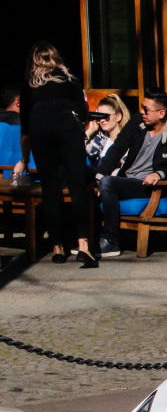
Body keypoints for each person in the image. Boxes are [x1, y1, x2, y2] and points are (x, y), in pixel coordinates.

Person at [12, 42, 93, 266]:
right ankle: (83, 246)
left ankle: (58, 248)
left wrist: (25, 159)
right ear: (56, 58)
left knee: (51, 189)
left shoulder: (29, 85)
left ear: (34, 60)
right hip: (68, 128)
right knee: (77, 187)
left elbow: (25, 131)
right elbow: (83, 113)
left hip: (40, 130)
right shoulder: (71, 80)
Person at [96, 88, 167, 260]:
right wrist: (97, 177)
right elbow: (116, 149)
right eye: (142, 107)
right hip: (126, 179)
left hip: (146, 186)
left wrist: (160, 174)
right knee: (84, 175)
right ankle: (84, 239)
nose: (142, 112)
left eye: (146, 110)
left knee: (108, 183)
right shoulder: (137, 123)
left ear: (161, 113)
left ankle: (111, 241)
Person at [85, 93, 130, 169]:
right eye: (99, 116)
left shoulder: (128, 141)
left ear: (118, 116)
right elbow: (74, 152)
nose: (102, 120)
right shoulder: (99, 139)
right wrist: (90, 131)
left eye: (106, 117)